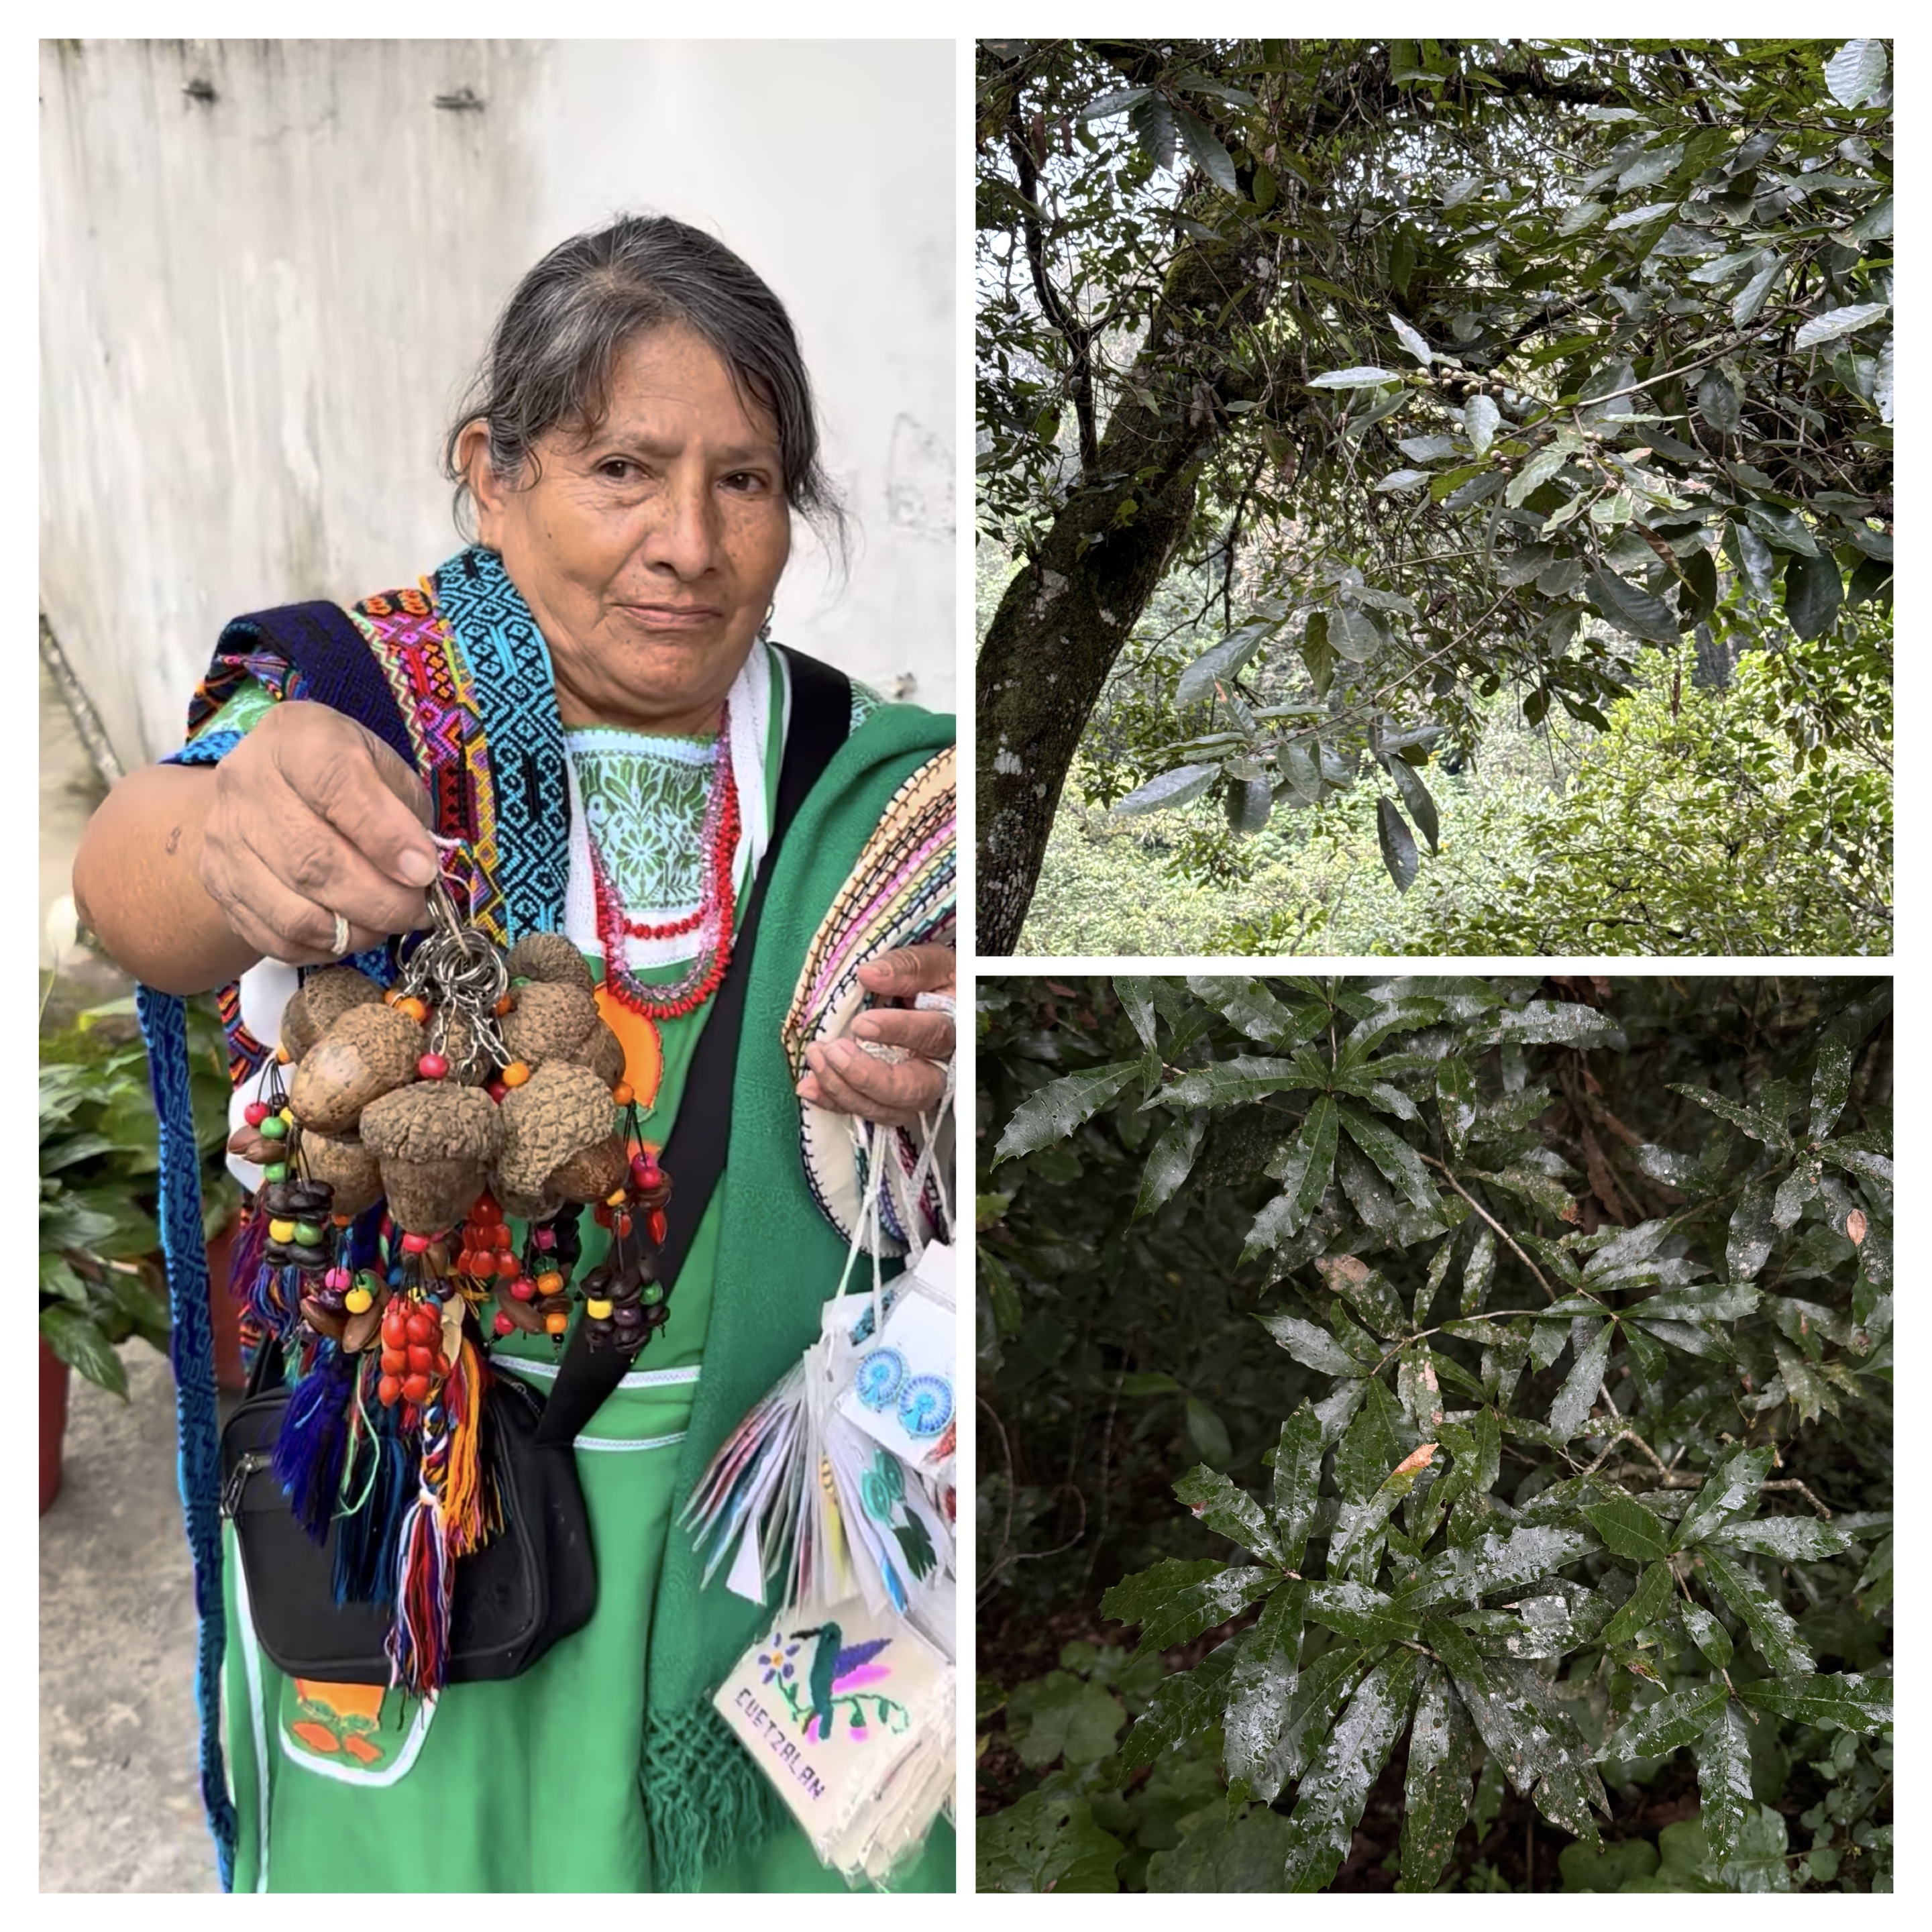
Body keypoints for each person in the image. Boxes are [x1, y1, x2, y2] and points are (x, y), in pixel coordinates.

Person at [72, 213, 956, 1894]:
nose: (686, 543)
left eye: (746, 482)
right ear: (494, 472)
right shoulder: (367, 700)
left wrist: (947, 1071)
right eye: (622, 468)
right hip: (434, 1499)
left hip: (774, 1515)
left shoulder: (873, 774)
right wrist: (219, 831)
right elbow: (134, 878)